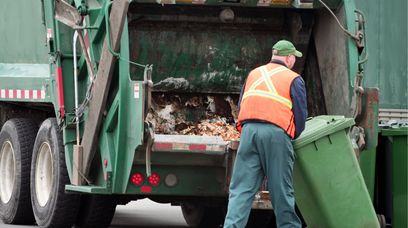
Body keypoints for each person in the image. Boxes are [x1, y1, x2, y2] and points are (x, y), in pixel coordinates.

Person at [224, 40, 308, 228]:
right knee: (281, 191)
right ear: (288, 58)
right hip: (276, 135)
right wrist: (292, 135)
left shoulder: (254, 74)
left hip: (249, 132)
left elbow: (241, 105)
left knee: (241, 190)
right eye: (294, 57)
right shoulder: (293, 78)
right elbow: (301, 115)